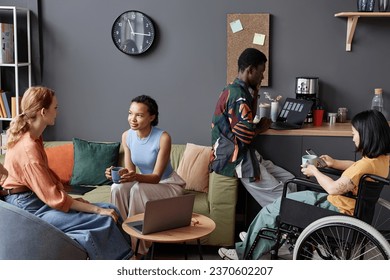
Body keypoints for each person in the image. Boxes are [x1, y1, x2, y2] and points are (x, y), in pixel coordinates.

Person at [219, 109, 390, 260]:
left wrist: (314, 171)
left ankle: (245, 252)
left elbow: (333, 188)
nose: (352, 138)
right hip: (352, 209)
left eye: (354, 133)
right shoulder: (380, 160)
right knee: (283, 205)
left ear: (367, 135)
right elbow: (358, 169)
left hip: (335, 208)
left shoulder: (364, 165)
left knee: (276, 208)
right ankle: (255, 236)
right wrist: (333, 162)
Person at [1, 86, 132, 260]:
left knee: (110, 208)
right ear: (43, 112)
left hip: (36, 199)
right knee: (103, 218)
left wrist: (83, 203)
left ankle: (129, 259)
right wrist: (94, 209)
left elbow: (48, 186)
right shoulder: (28, 149)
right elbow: (55, 199)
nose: (57, 112)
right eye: (55, 108)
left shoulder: (34, 137)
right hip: (28, 207)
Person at [210, 47, 296, 209]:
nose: (263, 76)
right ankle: (279, 228)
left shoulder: (236, 90)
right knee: (284, 199)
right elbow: (246, 135)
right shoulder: (238, 96)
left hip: (246, 153)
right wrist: (261, 128)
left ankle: (283, 225)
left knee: (290, 180)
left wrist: (256, 91)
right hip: (236, 159)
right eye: (261, 72)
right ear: (250, 70)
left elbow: (247, 120)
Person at [106, 94, 185, 256]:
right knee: (117, 187)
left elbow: (156, 177)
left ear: (152, 117)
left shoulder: (163, 137)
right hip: (145, 183)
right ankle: (120, 239)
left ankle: (138, 249)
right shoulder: (127, 136)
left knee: (137, 190)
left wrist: (133, 177)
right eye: (130, 113)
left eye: (139, 115)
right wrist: (117, 173)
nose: (132, 119)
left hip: (167, 184)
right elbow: (130, 172)